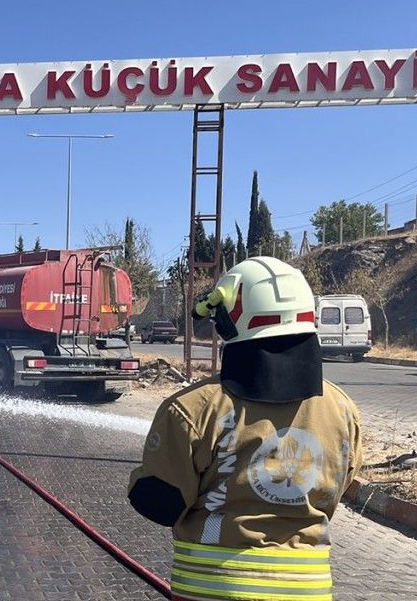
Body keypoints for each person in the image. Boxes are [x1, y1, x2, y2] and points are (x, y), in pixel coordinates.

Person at [127, 256, 362, 601]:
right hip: (308, 589)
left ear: (227, 323)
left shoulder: (193, 408)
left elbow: (160, 504)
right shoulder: (343, 409)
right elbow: (341, 483)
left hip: (211, 588)